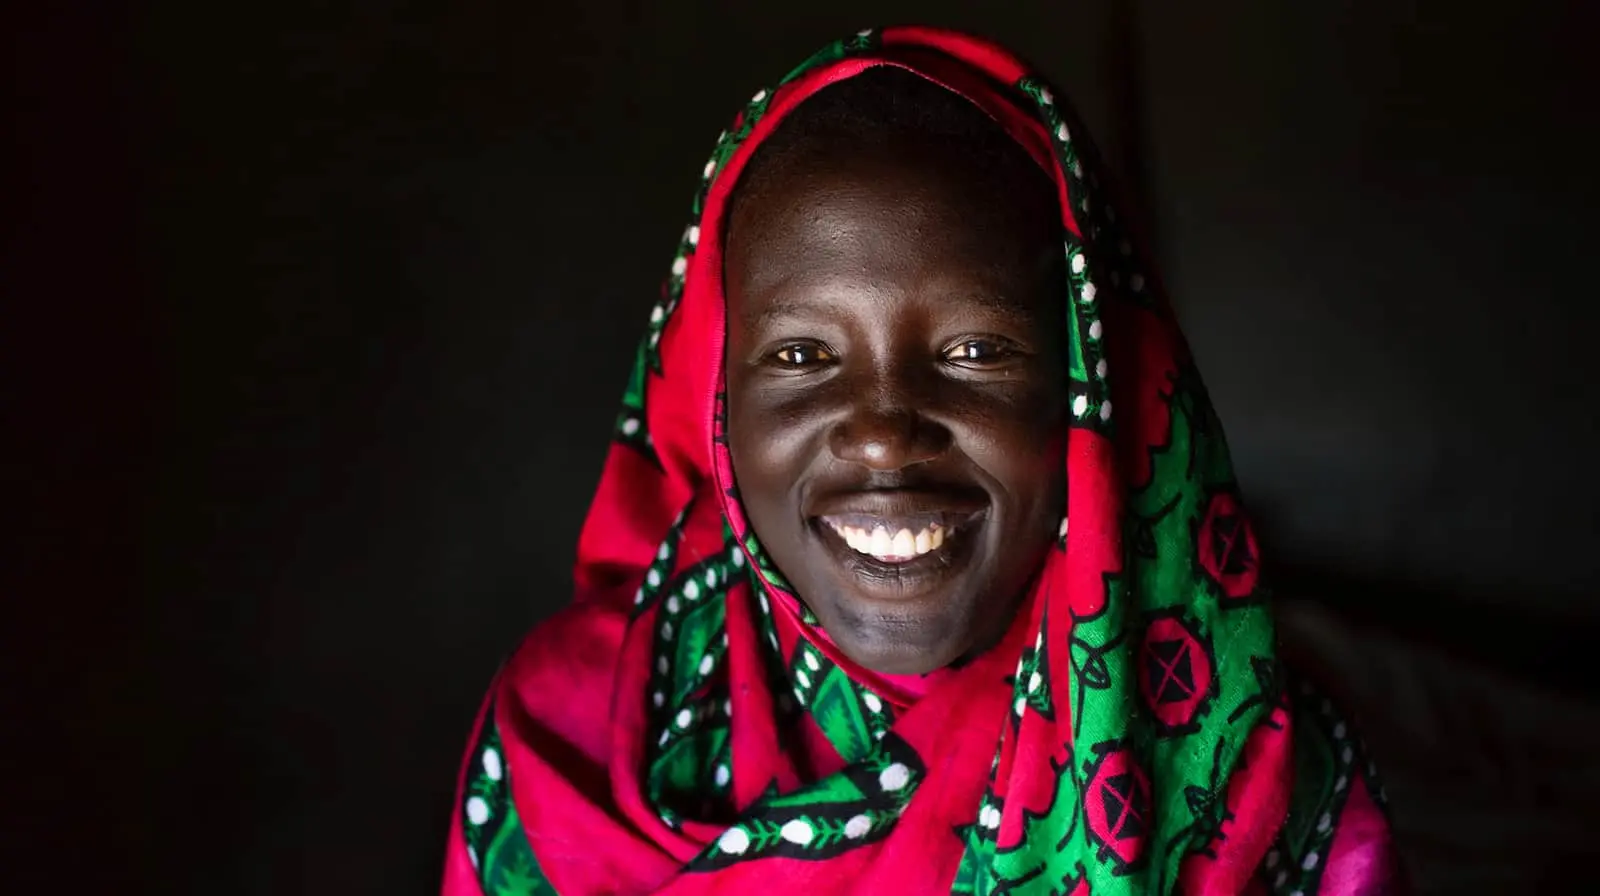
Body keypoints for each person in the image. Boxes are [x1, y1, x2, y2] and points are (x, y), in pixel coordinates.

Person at [440, 26, 1402, 895]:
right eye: (802, 355)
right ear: (713, 402)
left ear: (1092, 390)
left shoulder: (1252, 762)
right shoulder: (565, 747)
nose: (884, 434)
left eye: (977, 352)